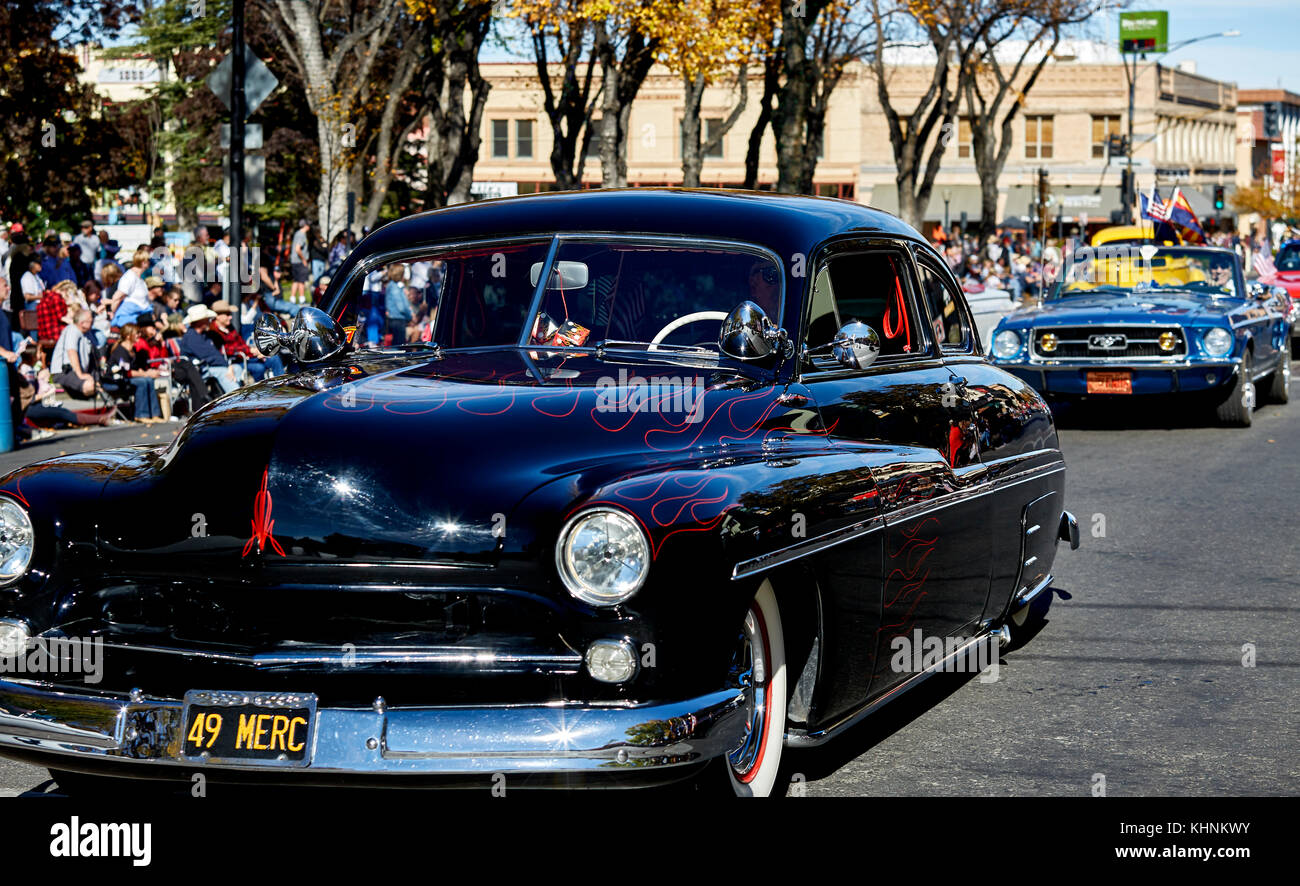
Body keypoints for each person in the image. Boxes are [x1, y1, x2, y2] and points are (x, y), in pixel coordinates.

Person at [208, 299, 283, 379]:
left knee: (273, 358)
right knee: (258, 368)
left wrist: (255, 352)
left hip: (245, 356)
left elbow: (241, 343)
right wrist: (250, 351)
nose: (230, 317)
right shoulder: (213, 332)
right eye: (227, 314)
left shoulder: (229, 327)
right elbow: (225, 350)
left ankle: (282, 385)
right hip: (234, 361)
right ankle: (262, 389)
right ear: (218, 316)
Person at [180, 304, 242, 394]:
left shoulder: (204, 335)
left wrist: (229, 367)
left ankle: (238, 391)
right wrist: (227, 366)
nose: (210, 321)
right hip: (198, 369)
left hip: (208, 366)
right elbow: (209, 355)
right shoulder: (191, 337)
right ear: (200, 321)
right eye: (207, 319)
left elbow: (213, 354)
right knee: (223, 372)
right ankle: (236, 397)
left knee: (237, 368)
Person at [108, 323, 163, 422]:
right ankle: (141, 415)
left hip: (127, 378)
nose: (139, 335)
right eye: (136, 333)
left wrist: (147, 372)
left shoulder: (132, 350)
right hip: (116, 380)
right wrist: (146, 374)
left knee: (149, 381)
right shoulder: (120, 351)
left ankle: (154, 414)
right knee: (142, 382)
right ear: (128, 336)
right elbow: (127, 372)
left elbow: (136, 369)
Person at [51, 309, 97, 398]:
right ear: (82, 322)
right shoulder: (72, 330)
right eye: (90, 320)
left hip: (77, 372)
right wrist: (80, 374)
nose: (92, 321)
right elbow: (71, 352)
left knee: (97, 385)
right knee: (89, 386)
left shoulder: (87, 334)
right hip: (64, 372)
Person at [112, 247, 153, 327]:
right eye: (149, 260)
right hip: (128, 321)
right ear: (143, 262)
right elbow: (117, 297)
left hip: (139, 318)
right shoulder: (130, 277)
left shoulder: (139, 278)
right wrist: (114, 314)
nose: (150, 263)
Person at [384, 264, 413, 343]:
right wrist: (409, 316)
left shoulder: (393, 285)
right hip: (397, 320)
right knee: (399, 345)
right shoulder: (394, 287)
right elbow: (401, 307)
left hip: (395, 319)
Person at [289, 217, 310, 304]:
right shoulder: (301, 234)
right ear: (305, 225)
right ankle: (302, 299)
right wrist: (304, 260)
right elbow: (298, 249)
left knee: (296, 280)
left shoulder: (297, 233)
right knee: (301, 281)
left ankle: (292, 299)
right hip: (299, 261)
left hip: (295, 261)